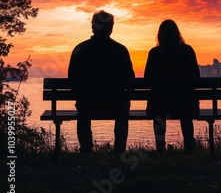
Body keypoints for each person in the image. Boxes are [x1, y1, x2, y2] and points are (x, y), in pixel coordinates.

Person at [68, 10, 135, 153]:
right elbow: (131, 81)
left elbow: (71, 79)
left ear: (93, 27)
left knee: (83, 109)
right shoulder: (120, 50)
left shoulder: (80, 49)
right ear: (110, 28)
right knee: (123, 107)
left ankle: (86, 148)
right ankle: (120, 149)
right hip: (115, 103)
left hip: (88, 103)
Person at [144, 19, 200, 155]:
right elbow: (196, 77)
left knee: (159, 111)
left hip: (159, 104)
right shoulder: (187, 51)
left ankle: (160, 146)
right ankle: (188, 146)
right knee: (185, 112)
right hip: (185, 103)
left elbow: (146, 79)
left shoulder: (154, 53)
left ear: (160, 35)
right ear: (177, 34)